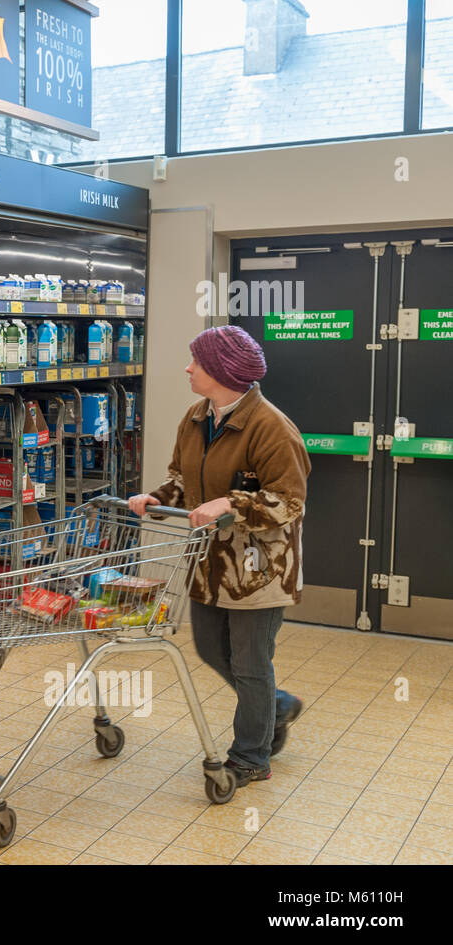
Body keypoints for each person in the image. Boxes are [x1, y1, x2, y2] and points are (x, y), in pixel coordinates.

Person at [128, 325, 309, 787]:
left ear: (224, 372)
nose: (188, 369)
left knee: (251, 665)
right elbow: (183, 478)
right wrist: (156, 496)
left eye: (198, 363)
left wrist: (231, 503)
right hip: (208, 563)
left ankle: (251, 756)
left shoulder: (272, 427)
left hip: (257, 571)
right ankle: (276, 706)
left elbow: (289, 502)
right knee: (210, 648)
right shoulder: (196, 416)